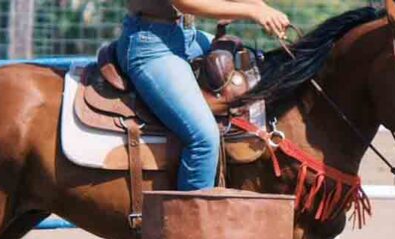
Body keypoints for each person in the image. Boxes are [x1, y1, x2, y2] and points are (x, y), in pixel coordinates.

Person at [118, 0, 290, 190]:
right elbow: (184, 3)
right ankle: (193, 216)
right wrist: (253, 12)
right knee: (204, 139)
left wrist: (262, 8)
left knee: (250, 62)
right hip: (151, 47)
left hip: (185, 36)